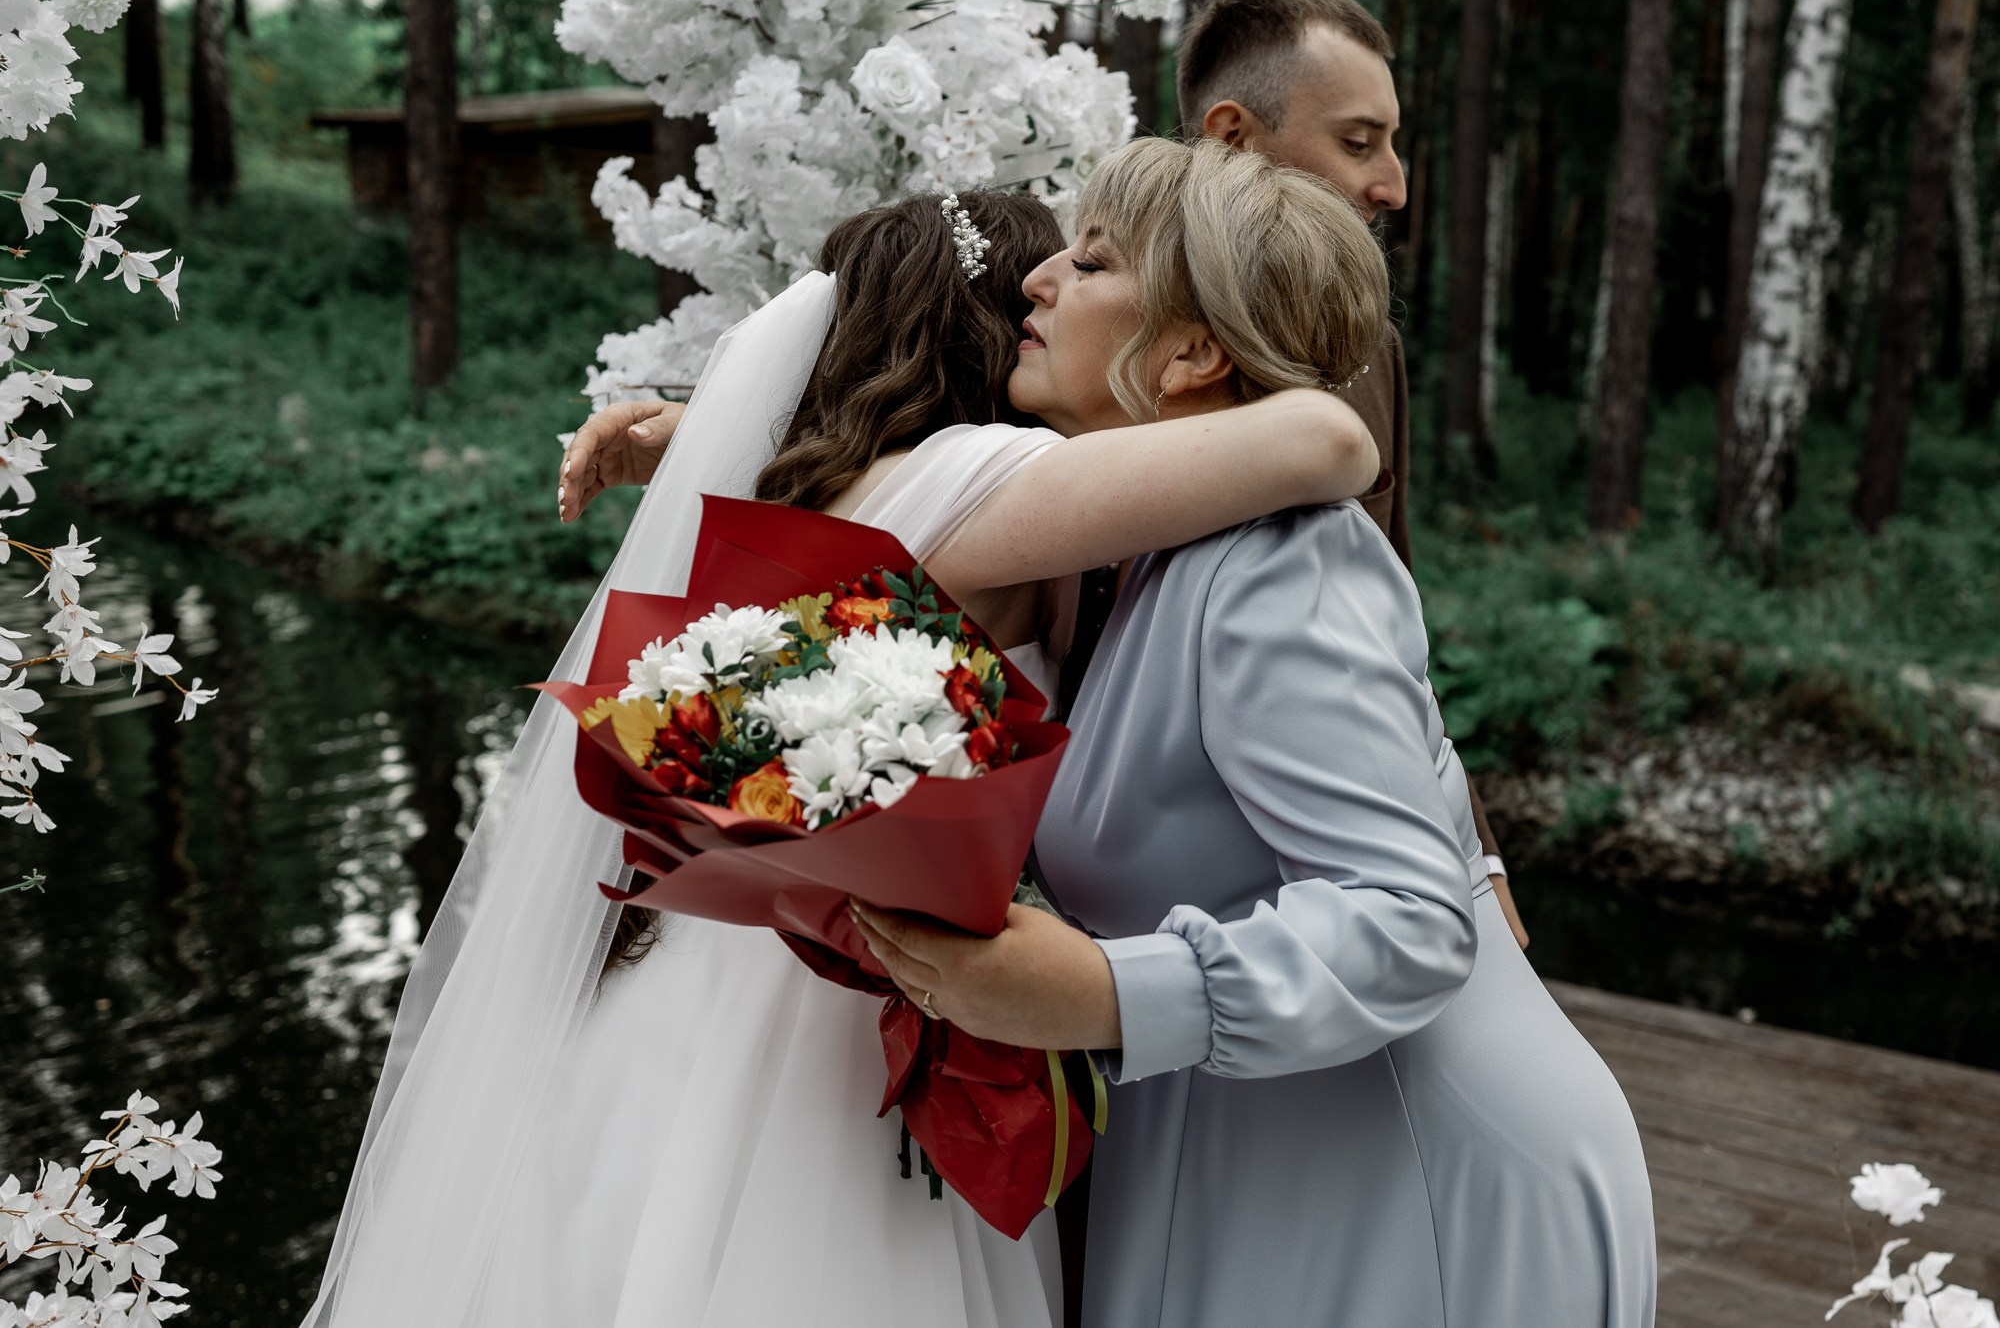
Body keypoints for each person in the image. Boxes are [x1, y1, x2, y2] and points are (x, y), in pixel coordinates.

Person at [306, 184, 1383, 1327]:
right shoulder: (980, 476)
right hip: (835, 1025)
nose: (1050, 297)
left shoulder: (828, 481)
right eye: (1037, 284)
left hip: (711, 981)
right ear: (984, 328)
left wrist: (693, 430)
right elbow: (1325, 440)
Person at [851, 138, 1657, 1328]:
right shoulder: (1126, 558)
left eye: (1091, 261)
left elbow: (1408, 915)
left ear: (1192, 352)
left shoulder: (1281, 566)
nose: (1037, 278)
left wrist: (1101, 990)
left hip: (1414, 1174)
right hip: (1260, 1147)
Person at [1179, 0, 1531, 948]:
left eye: (1392, 144)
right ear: (1232, 136)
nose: (1394, 186)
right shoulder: (1092, 337)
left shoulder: (1373, 352)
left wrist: (1478, 855)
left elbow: (1393, 616)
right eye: (1359, 142)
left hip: (1360, 879)